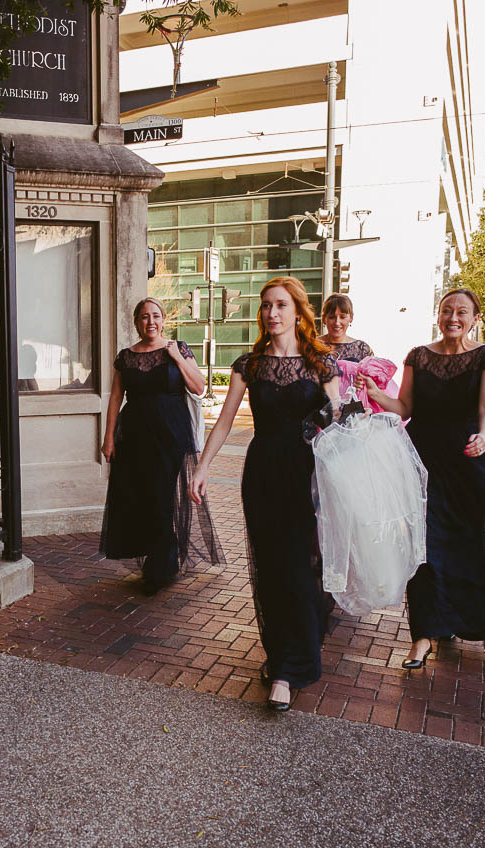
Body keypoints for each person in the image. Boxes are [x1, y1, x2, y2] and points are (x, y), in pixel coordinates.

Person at [360, 288, 485, 670]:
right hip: (420, 461)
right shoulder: (418, 357)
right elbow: (405, 406)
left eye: (462, 312)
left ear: (476, 318)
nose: (453, 318)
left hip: (467, 458)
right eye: (446, 311)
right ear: (437, 315)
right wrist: (377, 394)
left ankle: (458, 621)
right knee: (421, 546)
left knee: (463, 543)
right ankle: (422, 635)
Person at [190, 277, 343, 711]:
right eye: (265, 306)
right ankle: (282, 659)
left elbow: (340, 420)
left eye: (280, 305)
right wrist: (202, 469)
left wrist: (330, 416)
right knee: (272, 570)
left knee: (301, 567)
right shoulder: (248, 365)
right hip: (262, 474)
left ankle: (288, 668)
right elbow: (222, 423)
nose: (271, 313)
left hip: (308, 475)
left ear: (298, 311)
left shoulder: (320, 363)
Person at [100, 297, 222, 593]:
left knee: (162, 497)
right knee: (140, 497)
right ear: (136, 322)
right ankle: (156, 558)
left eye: (155, 316)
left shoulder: (177, 349)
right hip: (133, 436)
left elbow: (198, 387)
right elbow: (116, 397)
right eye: (144, 316)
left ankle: (162, 565)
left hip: (170, 433)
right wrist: (108, 438)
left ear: (164, 320)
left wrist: (178, 359)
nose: (150, 321)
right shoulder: (126, 356)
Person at [319, 293, 374, 364]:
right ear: (323, 319)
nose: (337, 322)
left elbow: (375, 373)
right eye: (331, 317)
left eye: (342, 317)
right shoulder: (311, 346)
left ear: (351, 318)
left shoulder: (362, 349)